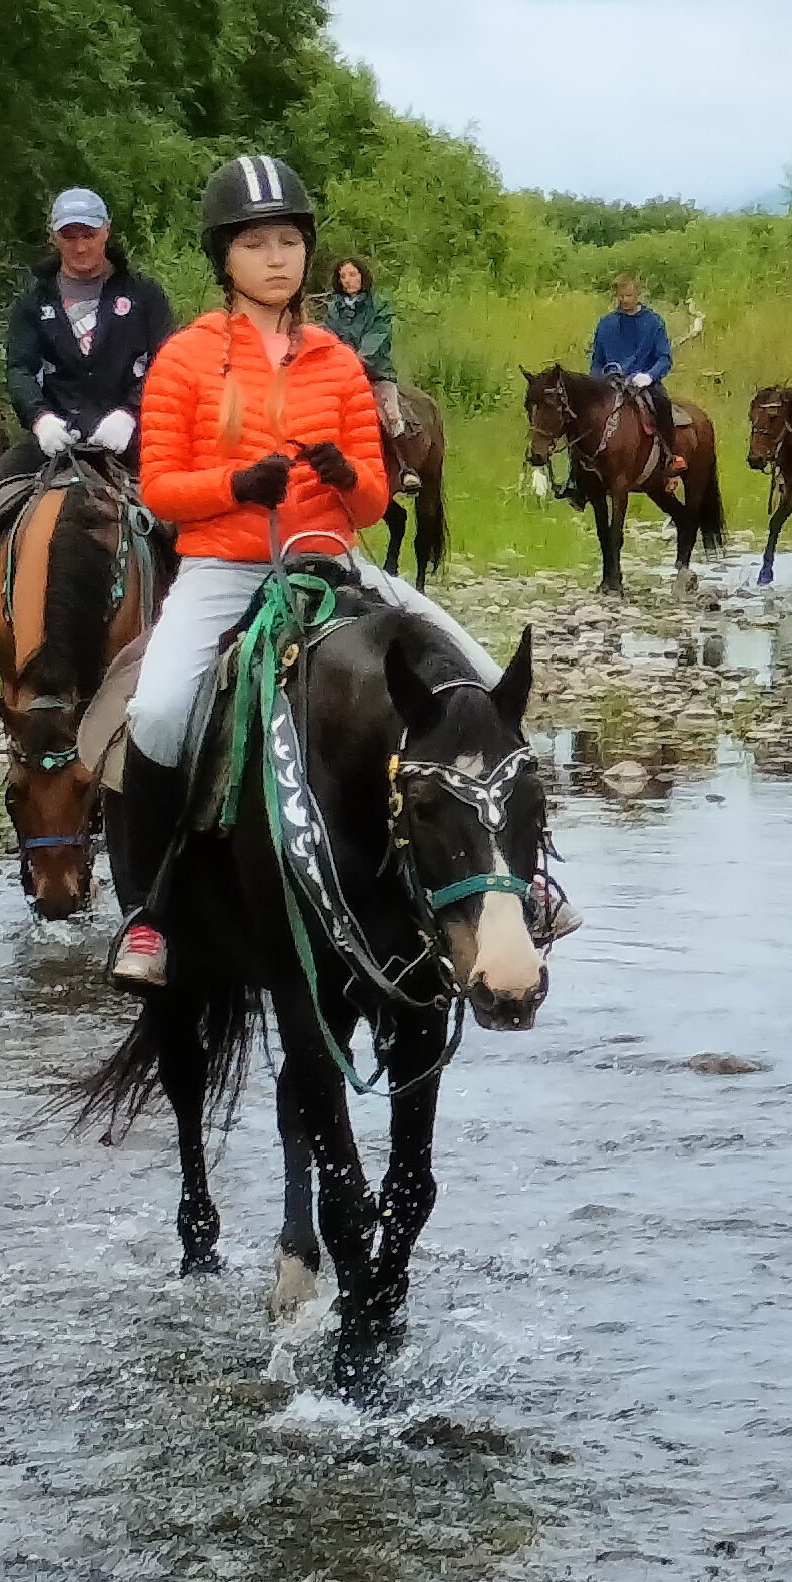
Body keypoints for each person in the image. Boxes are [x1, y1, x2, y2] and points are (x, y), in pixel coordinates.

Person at [106, 154, 547, 993]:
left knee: (490, 687)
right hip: (225, 568)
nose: (276, 258)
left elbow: (378, 503)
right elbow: (161, 488)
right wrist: (236, 485)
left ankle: (531, 887)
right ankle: (150, 910)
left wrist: (346, 475)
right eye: (255, 244)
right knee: (158, 710)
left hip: (331, 562)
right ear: (224, 259)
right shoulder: (186, 359)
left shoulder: (338, 362)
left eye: (288, 242)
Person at [0, 186, 177, 676]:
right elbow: (19, 367)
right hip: (54, 438)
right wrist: (38, 417)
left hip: (127, 437)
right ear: (55, 238)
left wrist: (134, 413)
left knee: (177, 515)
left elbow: (168, 363)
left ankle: (180, 626)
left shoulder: (144, 296)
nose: (79, 246)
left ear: (106, 233)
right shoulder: (35, 301)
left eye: (88, 235)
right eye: (68, 236)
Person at [586, 272, 675, 461]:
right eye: (621, 296)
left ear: (638, 295)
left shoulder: (653, 322)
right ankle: (576, 475)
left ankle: (670, 458)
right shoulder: (605, 324)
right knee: (583, 415)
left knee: (662, 403)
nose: (625, 300)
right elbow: (597, 361)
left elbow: (664, 358)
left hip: (643, 383)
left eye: (629, 295)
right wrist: (596, 382)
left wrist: (649, 376)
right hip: (609, 383)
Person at [323, 254, 408, 448]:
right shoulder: (334, 309)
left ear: (363, 276)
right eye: (343, 276)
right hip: (342, 374)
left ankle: (405, 467)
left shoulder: (380, 305)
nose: (347, 280)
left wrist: (357, 361)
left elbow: (376, 337)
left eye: (352, 274)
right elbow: (329, 336)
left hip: (376, 372)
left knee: (392, 415)